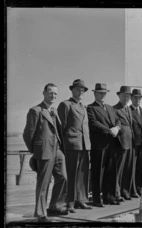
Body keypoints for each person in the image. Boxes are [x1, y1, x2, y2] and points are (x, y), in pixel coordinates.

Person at [23, 83, 68, 222]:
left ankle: (56, 206)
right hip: (44, 151)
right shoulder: (35, 111)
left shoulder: (54, 110)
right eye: (50, 92)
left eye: (55, 93)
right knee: (44, 183)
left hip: (58, 150)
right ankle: (41, 214)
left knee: (63, 178)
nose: (53, 95)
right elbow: (28, 133)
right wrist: (35, 150)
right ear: (43, 93)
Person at [57, 79, 92, 212]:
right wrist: (62, 146)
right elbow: (61, 128)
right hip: (71, 145)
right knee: (71, 174)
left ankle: (81, 200)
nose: (80, 91)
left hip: (84, 145)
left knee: (82, 175)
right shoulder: (65, 105)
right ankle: (70, 202)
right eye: (78, 89)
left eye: (82, 89)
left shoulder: (83, 107)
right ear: (72, 90)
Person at [87, 83, 122, 206]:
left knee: (111, 171)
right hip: (100, 145)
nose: (102, 95)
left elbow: (118, 120)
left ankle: (110, 197)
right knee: (98, 172)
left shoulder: (110, 108)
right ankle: (97, 199)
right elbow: (93, 123)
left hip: (112, 144)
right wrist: (109, 130)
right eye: (99, 93)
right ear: (95, 93)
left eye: (104, 93)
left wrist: (117, 128)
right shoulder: (90, 108)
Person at [113, 86, 134, 200]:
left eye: (128, 96)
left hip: (130, 142)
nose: (126, 98)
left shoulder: (128, 109)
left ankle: (125, 192)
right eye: (124, 95)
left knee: (127, 168)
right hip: (120, 142)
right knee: (118, 169)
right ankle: (117, 193)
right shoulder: (115, 109)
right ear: (119, 96)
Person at [130, 89, 142, 197]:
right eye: (135, 98)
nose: (137, 100)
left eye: (139, 98)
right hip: (133, 144)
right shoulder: (128, 110)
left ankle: (139, 188)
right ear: (131, 98)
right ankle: (132, 190)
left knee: (141, 168)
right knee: (132, 168)